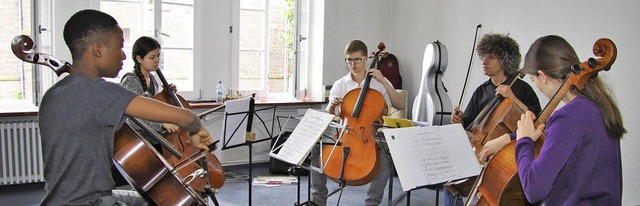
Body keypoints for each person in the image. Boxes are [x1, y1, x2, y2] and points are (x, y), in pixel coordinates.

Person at [39, 9, 214, 205]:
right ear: (98, 50)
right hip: (90, 201)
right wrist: (195, 130)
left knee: (147, 200)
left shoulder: (52, 95)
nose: (123, 56)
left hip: (56, 199)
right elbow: (187, 117)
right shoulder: (102, 92)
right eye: (120, 47)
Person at [483, 35, 625, 205]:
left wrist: (523, 141)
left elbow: (533, 190)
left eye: (533, 80)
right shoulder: (597, 106)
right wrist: (509, 138)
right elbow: (553, 137)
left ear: (543, 76)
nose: (537, 86)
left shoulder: (567, 117)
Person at [446, 33, 542, 206]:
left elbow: (536, 122)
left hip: (507, 156)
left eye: (491, 57)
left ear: (505, 60)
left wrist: (512, 97)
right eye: (484, 56)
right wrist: (459, 121)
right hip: (480, 149)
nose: (484, 61)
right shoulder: (481, 91)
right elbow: (469, 127)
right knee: (450, 181)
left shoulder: (522, 89)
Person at [309, 40, 405, 206]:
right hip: (344, 132)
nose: (352, 64)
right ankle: (318, 198)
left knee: (385, 159)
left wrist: (383, 80)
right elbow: (330, 115)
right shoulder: (340, 84)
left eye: (357, 59)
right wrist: (332, 106)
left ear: (366, 58)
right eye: (349, 60)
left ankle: (372, 202)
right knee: (316, 149)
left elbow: (400, 104)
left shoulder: (378, 81)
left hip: (368, 135)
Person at [120, 36, 180, 152]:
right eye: (152, 57)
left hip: (154, 140)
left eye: (158, 56)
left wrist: (166, 95)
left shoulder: (153, 79)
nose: (157, 60)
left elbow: (154, 108)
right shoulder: (131, 81)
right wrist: (162, 124)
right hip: (137, 145)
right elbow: (132, 119)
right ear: (139, 59)